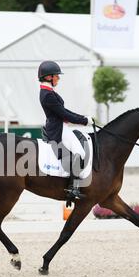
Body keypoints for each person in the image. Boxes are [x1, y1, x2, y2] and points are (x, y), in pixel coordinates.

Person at [38, 60, 94, 204]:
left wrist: (83, 118)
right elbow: (64, 114)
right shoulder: (47, 94)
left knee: (78, 151)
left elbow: (64, 112)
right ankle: (72, 188)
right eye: (57, 75)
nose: (59, 78)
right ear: (49, 77)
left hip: (60, 125)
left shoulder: (49, 92)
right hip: (57, 128)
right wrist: (84, 121)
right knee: (80, 153)